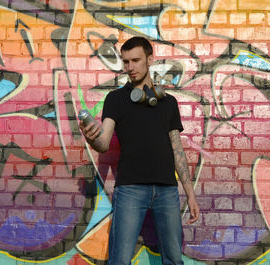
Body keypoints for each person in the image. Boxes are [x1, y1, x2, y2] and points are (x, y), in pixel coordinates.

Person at [79, 36, 199, 265]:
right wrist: (92, 139)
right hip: (130, 190)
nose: (130, 67)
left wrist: (190, 194)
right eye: (126, 62)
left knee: (174, 259)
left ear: (150, 60)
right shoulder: (115, 99)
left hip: (167, 191)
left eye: (135, 60)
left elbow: (177, 150)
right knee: (120, 260)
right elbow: (103, 142)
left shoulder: (168, 103)